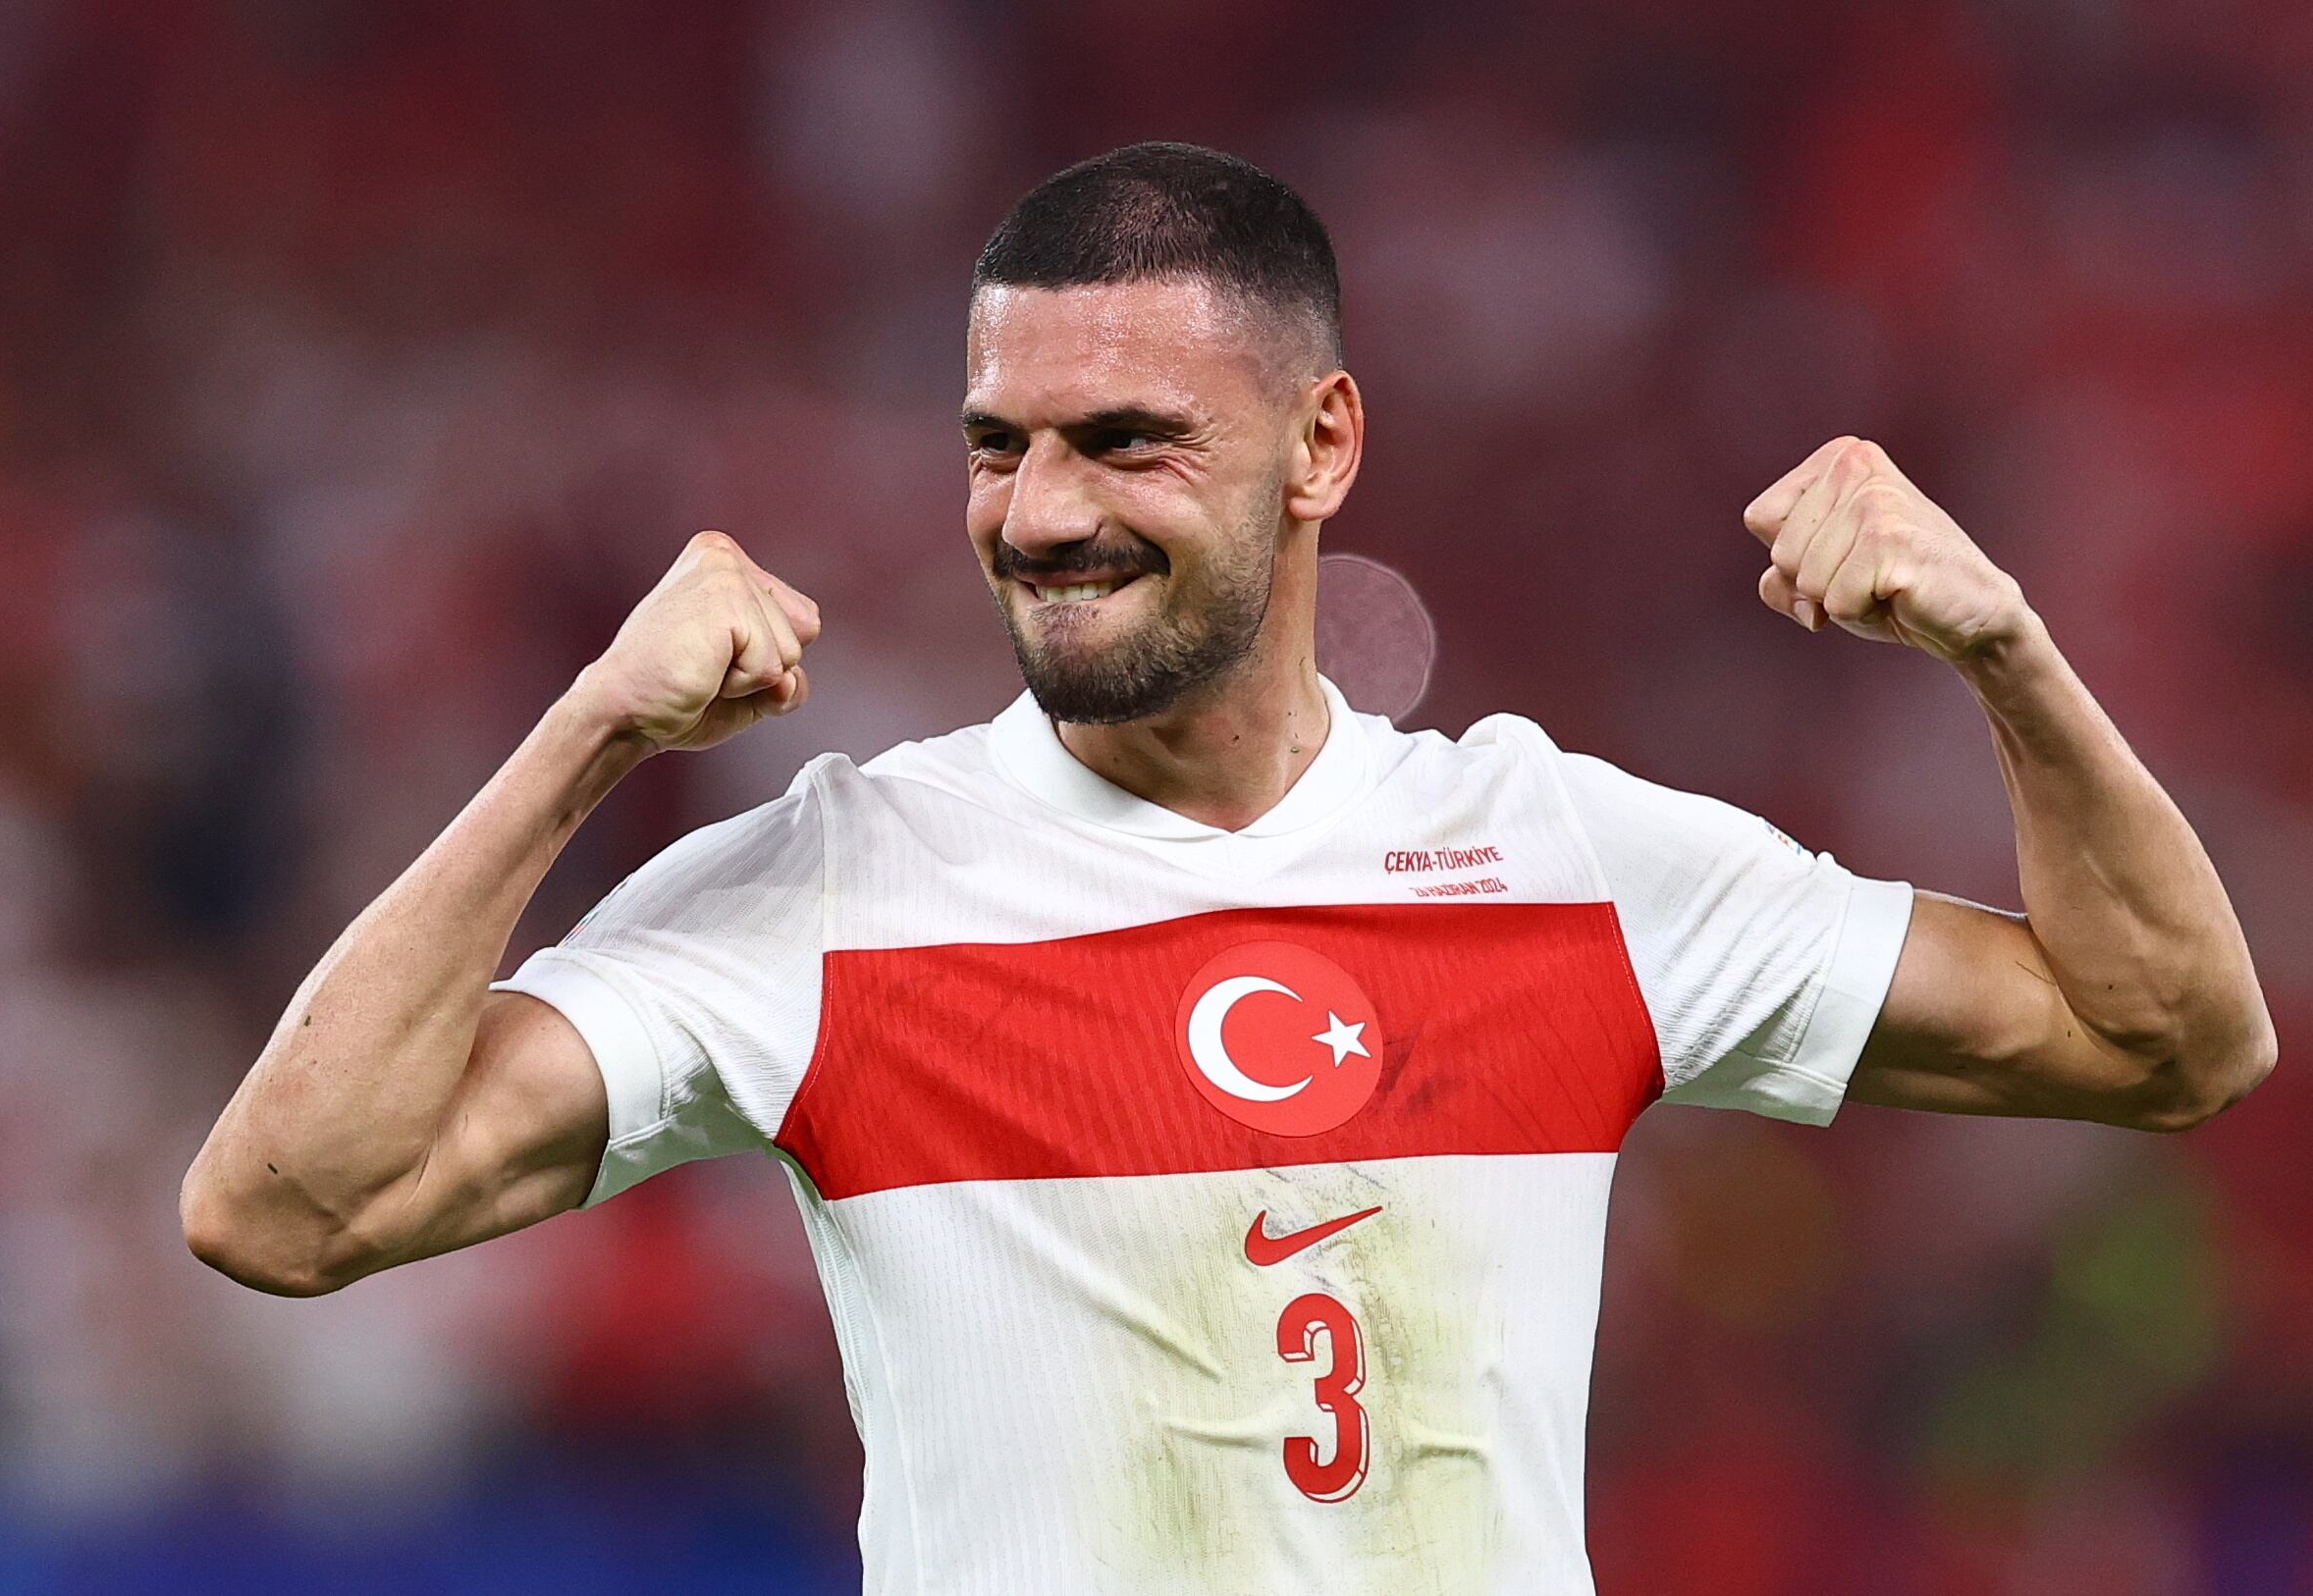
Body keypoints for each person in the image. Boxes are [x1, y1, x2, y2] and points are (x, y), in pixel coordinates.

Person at [181, 142, 2277, 1593]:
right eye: (999, 444)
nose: (1039, 512)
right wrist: (584, 740)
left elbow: (2169, 1035)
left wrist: (2003, 648)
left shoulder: (1561, 862)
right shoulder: (833, 891)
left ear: (1325, 448)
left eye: (1127, 443)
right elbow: (284, 1206)